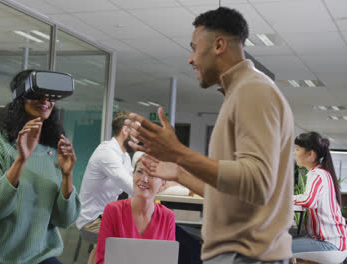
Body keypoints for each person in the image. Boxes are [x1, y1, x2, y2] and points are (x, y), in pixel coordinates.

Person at [126, 7, 294, 263]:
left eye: (194, 48)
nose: (190, 59)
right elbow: (234, 194)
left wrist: (179, 153)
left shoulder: (253, 90)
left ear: (218, 45)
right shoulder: (239, 92)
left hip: (246, 256)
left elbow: (258, 182)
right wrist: (180, 173)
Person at [0, 70, 80, 264]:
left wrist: (67, 175)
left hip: (40, 257)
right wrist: (21, 160)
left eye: (51, 96)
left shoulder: (54, 149)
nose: (46, 100)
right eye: (37, 94)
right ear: (20, 98)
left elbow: (65, 220)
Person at [95, 151, 175, 264]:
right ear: (133, 175)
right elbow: (102, 260)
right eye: (139, 172)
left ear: (163, 184)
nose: (144, 179)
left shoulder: (167, 217)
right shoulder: (113, 211)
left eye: (151, 175)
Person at [76, 111, 135, 234]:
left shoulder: (124, 156)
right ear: (125, 130)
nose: (139, 138)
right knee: (129, 236)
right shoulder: (107, 152)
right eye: (136, 133)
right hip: (91, 220)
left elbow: (134, 184)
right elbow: (132, 187)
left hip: (106, 216)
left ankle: (97, 253)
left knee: (136, 228)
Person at [292, 132, 347, 257]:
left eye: (297, 149)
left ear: (310, 154)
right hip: (333, 242)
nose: (294, 153)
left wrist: (283, 199)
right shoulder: (321, 173)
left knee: (276, 248)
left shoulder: (317, 174)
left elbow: (309, 201)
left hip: (329, 244)